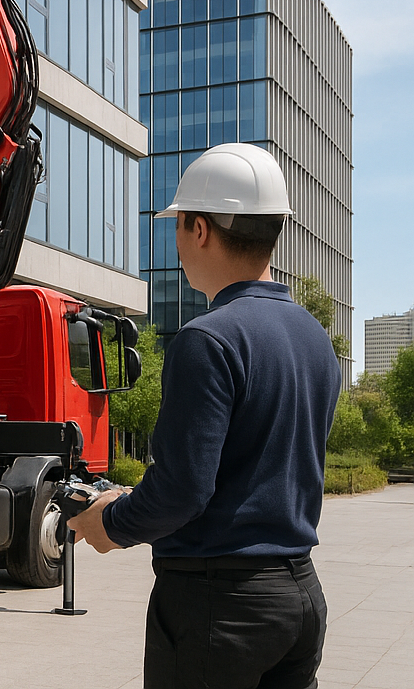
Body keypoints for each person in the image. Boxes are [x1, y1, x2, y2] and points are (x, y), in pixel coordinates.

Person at [67, 142, 341, 689]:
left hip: (219, 605)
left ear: (199, 228)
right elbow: (259, 468)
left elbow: (183, 491)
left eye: (178, 225)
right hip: (299, 597)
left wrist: (110, 523)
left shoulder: (208, 339)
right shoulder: (316, 340)